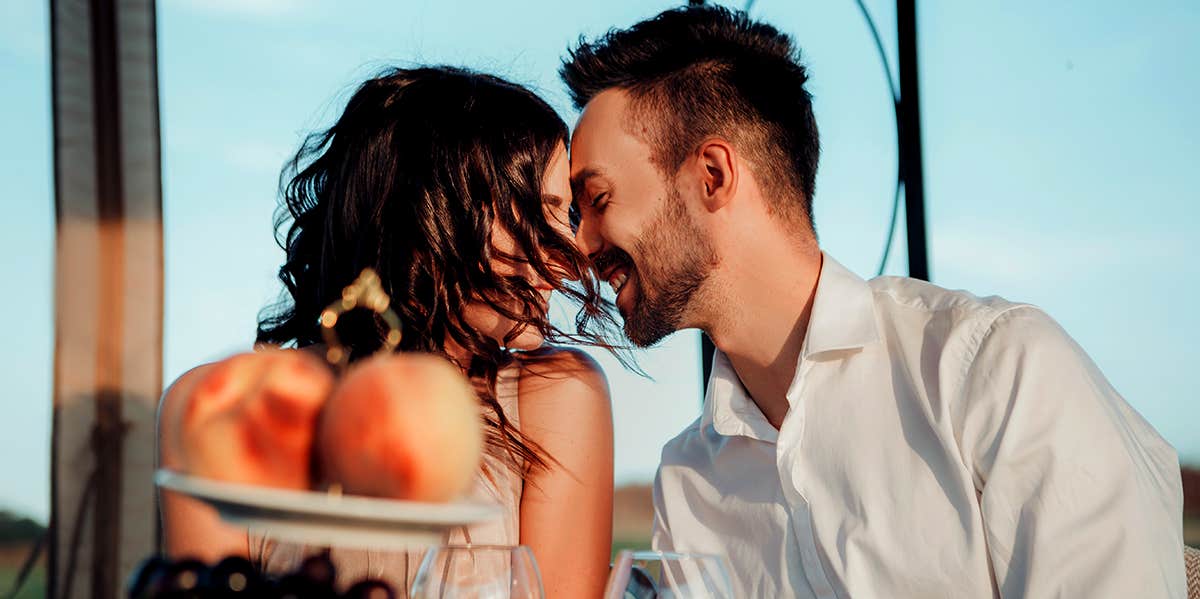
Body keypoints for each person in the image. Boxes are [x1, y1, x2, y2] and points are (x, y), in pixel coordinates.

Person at [561, 5, 1186, 597]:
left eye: (599, 200)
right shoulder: (687, 481)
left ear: (713, 177)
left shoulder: (994, 371)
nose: (580, 243)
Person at [158, 66, 618, 597]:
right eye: (546, 211)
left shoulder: (556, 396)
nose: (574, 252)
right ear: (436, 211)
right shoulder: (225, 408)